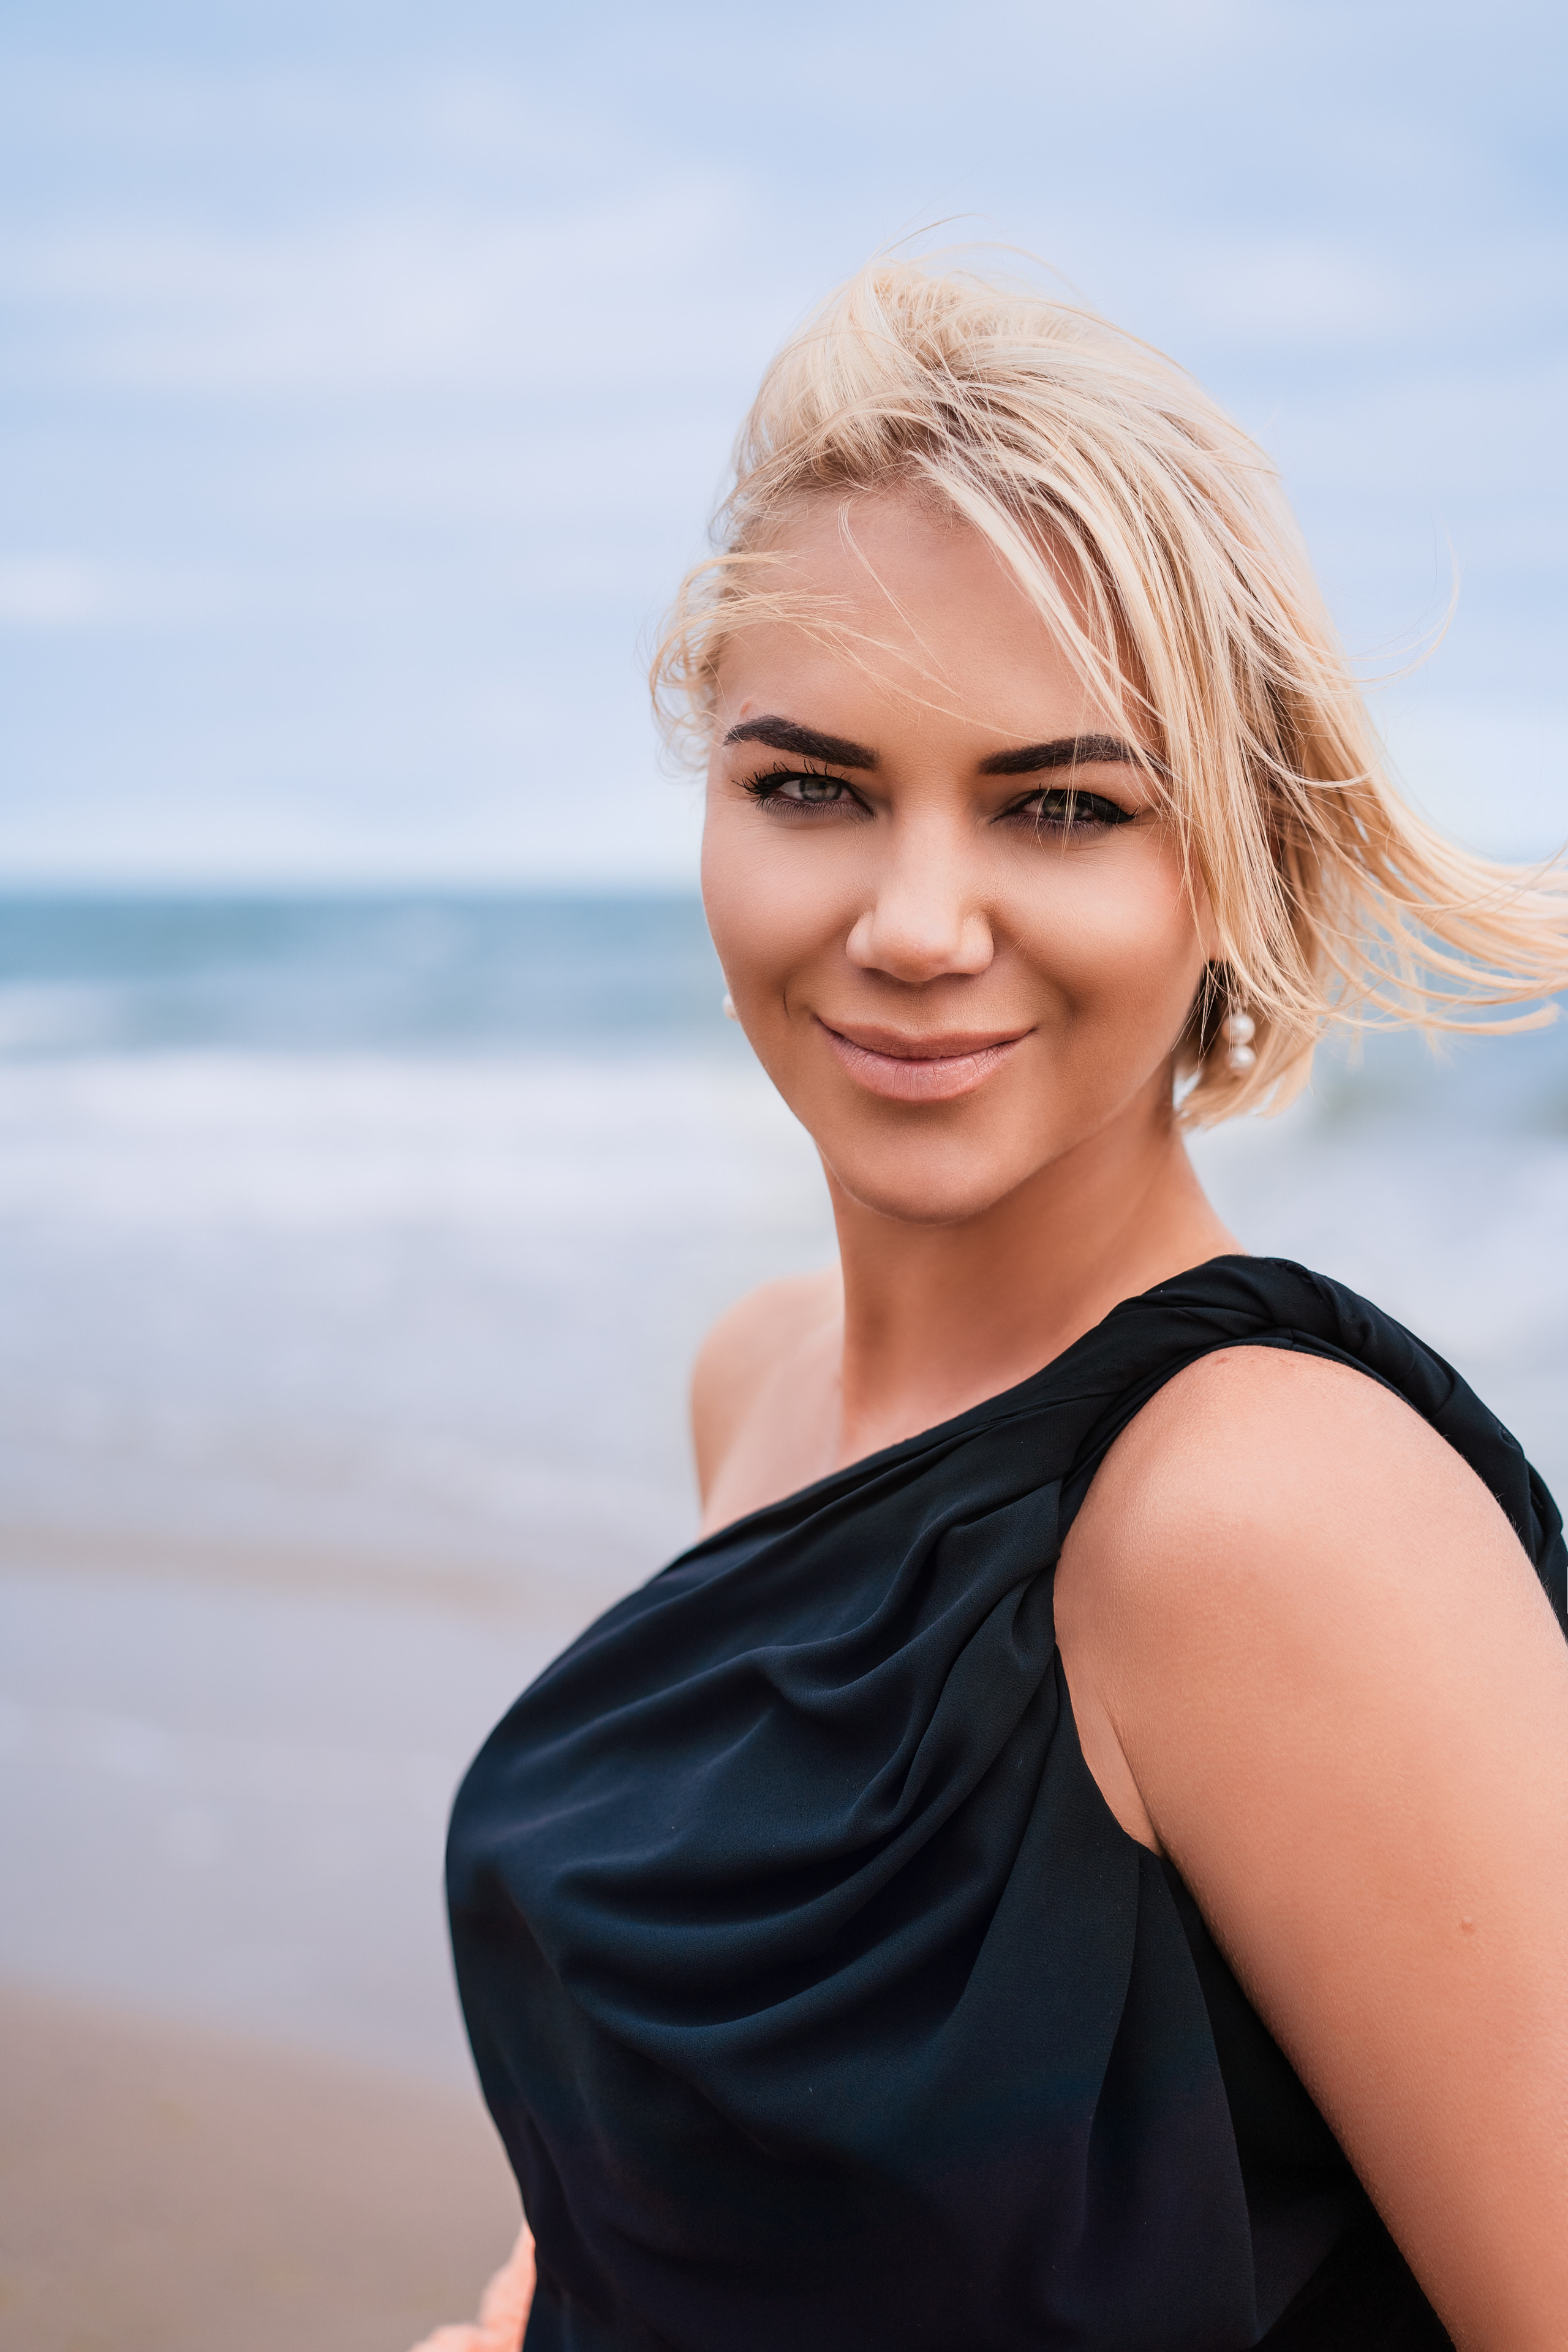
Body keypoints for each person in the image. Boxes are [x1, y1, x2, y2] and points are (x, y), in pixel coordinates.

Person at [421, 258, 1568, 2351]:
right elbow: (739, 2153)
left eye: (1061, 806)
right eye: (813, 788)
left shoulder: (1261, 1515)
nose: (918, 923)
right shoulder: (759, 1378)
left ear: (1228, 859)